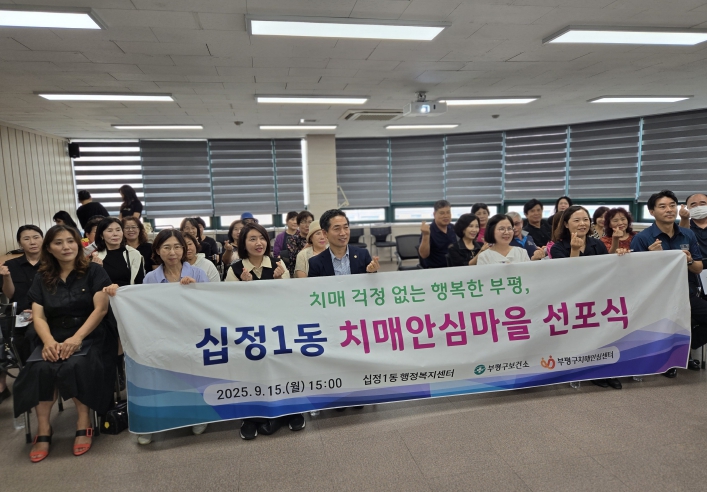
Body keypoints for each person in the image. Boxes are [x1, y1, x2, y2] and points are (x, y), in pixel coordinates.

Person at [12, 225, 112, 462]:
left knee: (75, 365)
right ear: (49, 248)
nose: (66, 247)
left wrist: (77, 338)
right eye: (58, 242)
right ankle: (44, 427)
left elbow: (100, 309)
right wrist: (48, 342)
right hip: (53, 334)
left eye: (70, 241)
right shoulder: (42, 277)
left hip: (88, 333)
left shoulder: (94, 271)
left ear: (78, 244)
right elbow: (38, 316)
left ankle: (83, 421)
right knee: (39, 367)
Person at [130, 229, 210, 444]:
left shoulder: (198, 274)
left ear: (184, 249)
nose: (172, 252)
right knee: (154, 372)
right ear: (157, 250)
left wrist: (196, 291)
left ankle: (198, 415)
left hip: (194, 334)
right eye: (166, 247)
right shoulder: (150, 278)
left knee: (194, 371)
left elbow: (210, 307)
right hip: (162, 334)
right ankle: (152, 422)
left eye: (177, 247)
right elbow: (146, 310)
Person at [222, 222, 299, 439]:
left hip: (277, 329)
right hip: (249, 332)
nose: (259, 243)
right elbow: (228, 306)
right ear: (243, 243)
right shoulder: (235, 269)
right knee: (251, 370)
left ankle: (291, 411)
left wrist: (279, 281)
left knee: (284, 366)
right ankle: (250, 417)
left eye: (262, 238)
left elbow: (289, 300)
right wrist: (244, 288)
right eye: (252, 239)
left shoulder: (277, 264)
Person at [632, 190, 707, 377]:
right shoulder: (642, 238)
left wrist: (689, 260)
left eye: (672, 205)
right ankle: (667, 358)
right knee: (663, 325)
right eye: (662, 206)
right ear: (652, 212)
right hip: (657, 297)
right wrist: (652, 259)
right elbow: (635, 276)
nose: (669, 210)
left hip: (685, 293)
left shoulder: (688, 235)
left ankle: (682, 349)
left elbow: (698, 268)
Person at [550, 206, 625, 390]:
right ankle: (590, 371)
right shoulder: (558, 247)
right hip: (574, 301)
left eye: (585, 219)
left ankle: (607, 371)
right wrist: (574, 251)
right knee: (581, 338)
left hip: (598, 298)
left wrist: (618, 255)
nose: (582, 224)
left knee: (603, 334)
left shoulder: (596, 244)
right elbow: (569, 277)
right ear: (566, 224)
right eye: (576, 220)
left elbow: (606, 268)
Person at [0, 225, 43, 402]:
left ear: (43, 239)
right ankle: (26, 374)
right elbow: (10, 295)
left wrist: (39, 311)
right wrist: (6, 277)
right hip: (20, 315)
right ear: (20, 243)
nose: (32, 242)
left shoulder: (54, 263)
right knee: (11, 338)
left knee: (32, 334)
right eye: (26, 238)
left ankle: (36, 377)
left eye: (36, 237)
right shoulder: (10, 265)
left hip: (46, 313)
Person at [419, 200, 456, 269]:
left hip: (453, 268)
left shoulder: (454, 228)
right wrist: (426, 235)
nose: (446, 216)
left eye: (448, 212)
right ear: (434, 214)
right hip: (435, 269)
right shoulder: (428, 230)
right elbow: (424, 255)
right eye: (442, 213)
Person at [284, 211, 314, 277]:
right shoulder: (292, 239)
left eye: (310, 222)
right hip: (297, 273)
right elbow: (293, 259)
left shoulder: (316, 239)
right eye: (303, 222)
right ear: (298, 224)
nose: (307, 225)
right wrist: (306, 246)